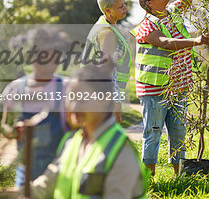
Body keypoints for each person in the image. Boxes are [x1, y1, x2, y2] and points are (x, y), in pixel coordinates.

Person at [133, 0, 209, 176]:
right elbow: (165, 43)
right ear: (148, 2)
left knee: (178, 132)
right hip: (154, 89)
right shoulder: (147, 25)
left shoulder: (174, 12)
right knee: (153, 132)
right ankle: (150, 180)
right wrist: (196, 41)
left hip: (178, 86)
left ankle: (179, 177)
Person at [23, 64, 148, 199]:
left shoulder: (120, 151)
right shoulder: (72, 141)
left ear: (105, 99)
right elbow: (46, 184)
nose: (74, 106)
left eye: (82, 98)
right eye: (71, 97)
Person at [1, 27, 70, 187]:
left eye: (54, 58)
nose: (48, 64)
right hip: (25, 171)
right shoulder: (16, 88)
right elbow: (4, 125)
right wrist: (12, 130)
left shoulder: (67, 88)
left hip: (59, 171)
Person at [81, 0, 132, 123]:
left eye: (124, 4)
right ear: (108, 10)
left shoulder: (107, 27)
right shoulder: (106, 32)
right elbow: (106, 69)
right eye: (120, 6)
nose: (125, 8)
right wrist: (115, 100)